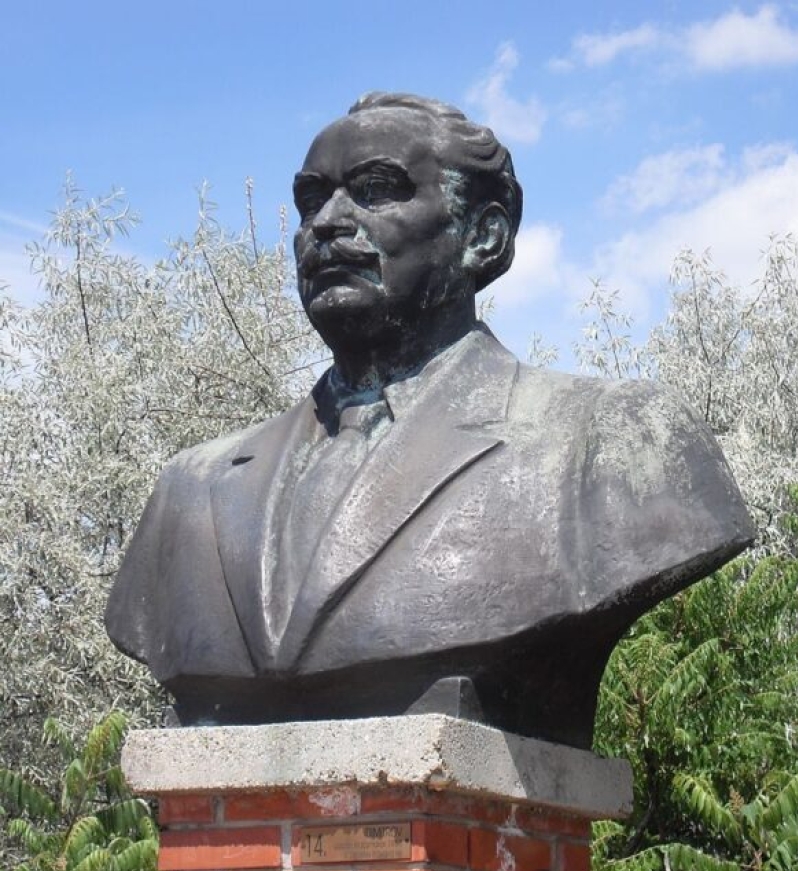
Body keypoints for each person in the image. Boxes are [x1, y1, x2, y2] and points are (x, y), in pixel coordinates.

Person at [105, 92, 754, 748]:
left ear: (483, 235)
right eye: (310, 200)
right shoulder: (191, 488)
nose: (327, 222)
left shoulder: (608, 442)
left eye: (377, 190)